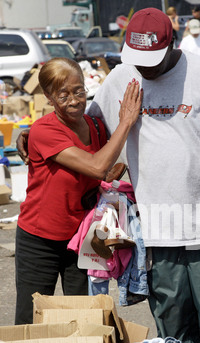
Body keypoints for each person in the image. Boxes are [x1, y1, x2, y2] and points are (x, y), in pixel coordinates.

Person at [17, 8, 200, 343]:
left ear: (170, 45)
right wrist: (33, 130)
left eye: (152, 60)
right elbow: (85, 124)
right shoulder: (121, 76)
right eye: (138, 60)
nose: (145, 69)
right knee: (174, 328)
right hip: (156, 230)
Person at [15, 57, 142, 325]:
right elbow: (96, 167)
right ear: (48, 97)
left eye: (79, 91)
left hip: (80, 237)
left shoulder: (95, 126)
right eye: (63, 95)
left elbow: (106, 170)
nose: (74, 101)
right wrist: (126, 121)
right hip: (40, 240)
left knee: (85, 317)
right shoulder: (44, 130)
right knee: (31, 318)